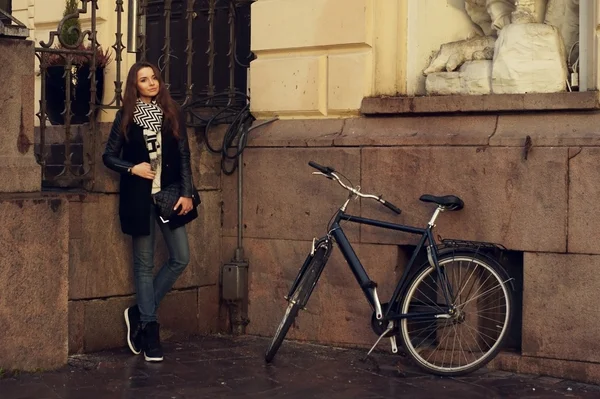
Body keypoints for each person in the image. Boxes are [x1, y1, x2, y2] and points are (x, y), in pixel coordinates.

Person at [102, 61, 198, 362]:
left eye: (154, 78)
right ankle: (150, 329)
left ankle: (140, 312)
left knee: (180, 257)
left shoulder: (172, 113)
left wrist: (187, 193)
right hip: (139, 198)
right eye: (144, 80)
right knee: (142, 265)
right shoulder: (126, 117)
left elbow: (184, 154)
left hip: (168, 195)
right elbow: (108, 156)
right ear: (135, 86)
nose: (151, 83)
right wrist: (132, 168)